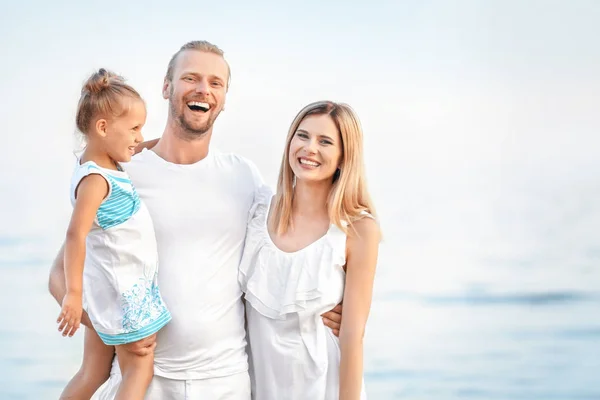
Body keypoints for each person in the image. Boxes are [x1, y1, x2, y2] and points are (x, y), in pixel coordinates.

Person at [48, 40, 343, 400]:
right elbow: (59, 275)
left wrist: (333, 300)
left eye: (216, 83)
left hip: (226, 383)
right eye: (191, 77)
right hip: (145, 382)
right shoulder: (124, 174)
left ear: (223, 98)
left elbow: (291, 242)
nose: (204, 89)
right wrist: (115, 330)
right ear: (167, 87)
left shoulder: (243, 177)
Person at [239, 101, 380, 399]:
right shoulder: (257, 210)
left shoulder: (357, 230)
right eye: (302, 136)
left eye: (325, 141)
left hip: (321, 387)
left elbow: (353, 338)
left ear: (344, 157)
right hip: (256, 385)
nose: (309, 148)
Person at [57, 69, 171, 400]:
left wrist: (160, 145)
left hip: (109, 287)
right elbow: (75, 235)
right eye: (134, 129)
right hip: (121, 292)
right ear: (103, 128)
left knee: (91, 371)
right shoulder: (95, 179)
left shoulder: (102, 163)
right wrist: (72, 295)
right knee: (139, 366)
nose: (139, 137)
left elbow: (137, 148)